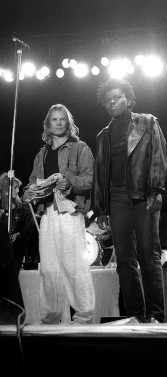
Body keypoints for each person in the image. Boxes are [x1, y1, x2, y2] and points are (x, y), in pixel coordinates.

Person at [93, 78, 167, 323]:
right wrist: (101, 208)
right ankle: (136, 315)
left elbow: (158, 155)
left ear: (128, 99)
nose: (112, 102)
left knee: (149, 254)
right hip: (116, 197)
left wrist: (156, 189)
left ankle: (156, 313)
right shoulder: (103, 135)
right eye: (108, 99)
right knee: (124, 260)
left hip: (143, 193)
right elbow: (100, 173)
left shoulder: (146, 122)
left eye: (117, 97)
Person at [25, 104, 95, 325]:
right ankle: (51, 318)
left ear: (68, 123)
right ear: (48, 124)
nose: (57, 123)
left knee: (74, 266)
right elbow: (32, 181)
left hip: (70, 212)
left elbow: (91, 179)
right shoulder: (42, 153)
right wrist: (29, 192)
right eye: (53, 120)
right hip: (47, 214)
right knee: (48, 268)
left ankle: (84, 316)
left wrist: (69, 183)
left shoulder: (80, 148)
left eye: (61, 119)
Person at [0, 172, 39, 274]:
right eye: (15, 187)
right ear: (6, 190)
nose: (18, 190)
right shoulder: (2, 210)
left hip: (16, 252)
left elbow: (30, 225)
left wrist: (19, 234)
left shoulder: (22, 207)